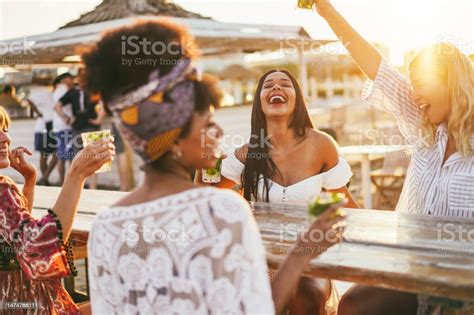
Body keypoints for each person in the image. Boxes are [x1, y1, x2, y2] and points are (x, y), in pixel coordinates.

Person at [83, 21, 346, 314]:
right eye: (207, 124)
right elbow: (256, 309)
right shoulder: (222, 210)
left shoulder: (106, 225)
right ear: (175, 137)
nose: (218, 133)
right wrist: (302, 252)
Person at [310, 1, 474, 314]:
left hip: (463, 285)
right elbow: (377, 67)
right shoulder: (425, 128)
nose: (414, 94)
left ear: (451, 81)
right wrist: (327, 11)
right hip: (410, 269)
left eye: (421, 84)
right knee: (352, 305)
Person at [196, 69, 359, 314]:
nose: (276, 88)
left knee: (307, 295)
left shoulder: (322, 145)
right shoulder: (249, 152)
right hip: (261, 258)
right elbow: (205, 199)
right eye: (268, 85)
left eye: (285, 84)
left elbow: (345, 205)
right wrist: (203, 166)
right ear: (260, 102)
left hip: (309, 256)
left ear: (297, 99)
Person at [0, 106, 115, 314]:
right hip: (31, 306)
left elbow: (16, 233)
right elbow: (38, 250)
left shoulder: (5, 187)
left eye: (4, 128)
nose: (4, 138)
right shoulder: (3, 189)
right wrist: (76, 174)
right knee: (126, 301)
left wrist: (29, 182)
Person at [27, 79, 58, 185]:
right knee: (45, 155)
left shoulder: (58, 96)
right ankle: (45, 180)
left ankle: (44, 178)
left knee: (56, 154)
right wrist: (38, 113)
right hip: (44, 127)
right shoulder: (45, 93)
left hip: (53, 127)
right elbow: (29, 100)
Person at [51, 73, 75, 185]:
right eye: (71, 79)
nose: (73, 81)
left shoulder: (57, 90)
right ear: (65, 79)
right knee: (69, 156)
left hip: (58, 127)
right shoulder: (64, 89)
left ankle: (63, 183)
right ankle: (68, 183)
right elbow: (56, 107)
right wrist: (66, 118)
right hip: (65, 127)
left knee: (62, 155)